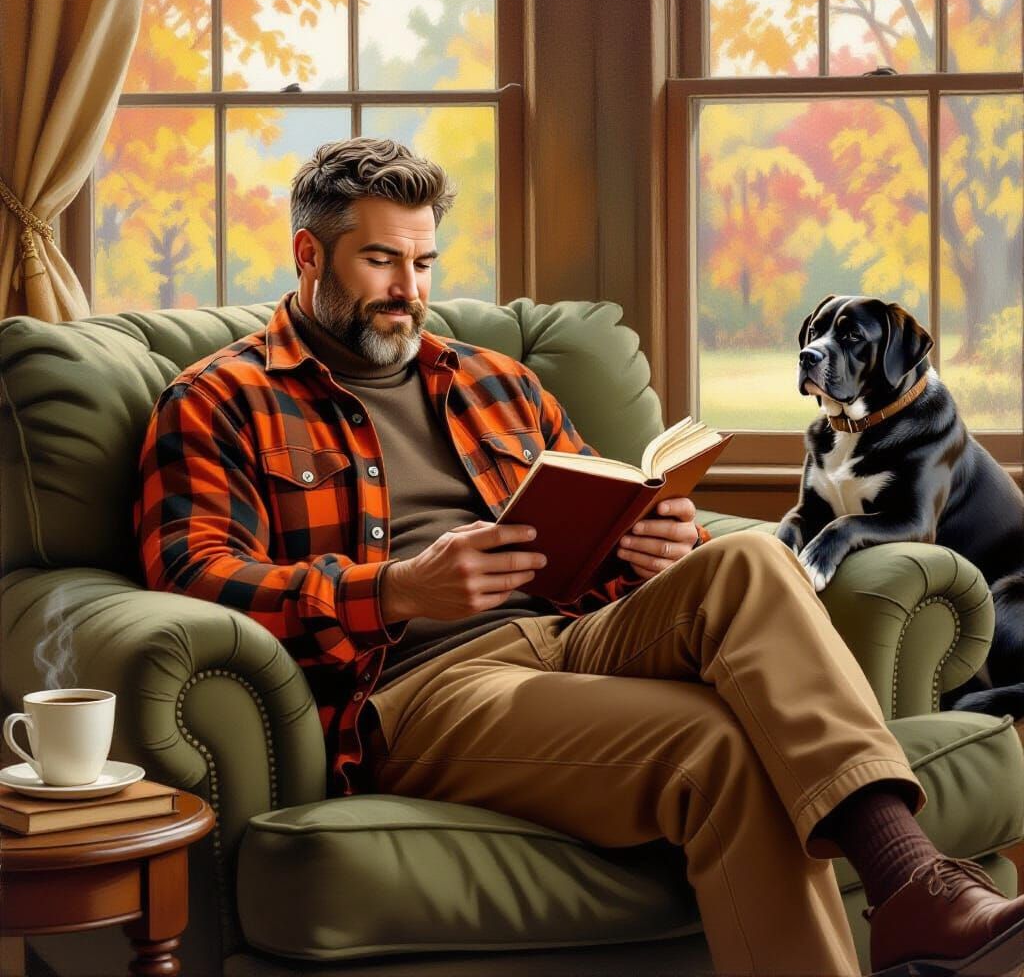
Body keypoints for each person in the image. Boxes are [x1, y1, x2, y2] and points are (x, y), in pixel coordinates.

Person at [135, 137, 1024, 976]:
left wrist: (655, 547)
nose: (409, 288)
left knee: (750, 560)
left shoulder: (497, 382)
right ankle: (918, 898)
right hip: (425, 691)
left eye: (424, 263)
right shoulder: (220, 400)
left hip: (574, 638)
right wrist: (398, 588)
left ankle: (913, 882)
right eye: (380, 262)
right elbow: (192, 575)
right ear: (309, 255)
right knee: (716, 746)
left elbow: (598, 511)